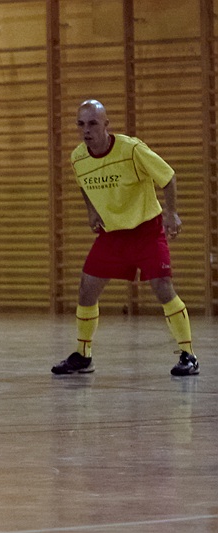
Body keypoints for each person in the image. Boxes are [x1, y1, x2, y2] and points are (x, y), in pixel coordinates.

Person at [52, 99, 199, 376]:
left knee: (162, 286)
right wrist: (91, 210)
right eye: (81, 124)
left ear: (106, 124)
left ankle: (188, 355)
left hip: (146, 229)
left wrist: (171, 213)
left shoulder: (131, 150)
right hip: (112, 234)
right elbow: (83, 184)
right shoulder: (78, 158)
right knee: (86, 289)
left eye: (93, 123)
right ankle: (83, 355)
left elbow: (168, 177)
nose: (86, 130)